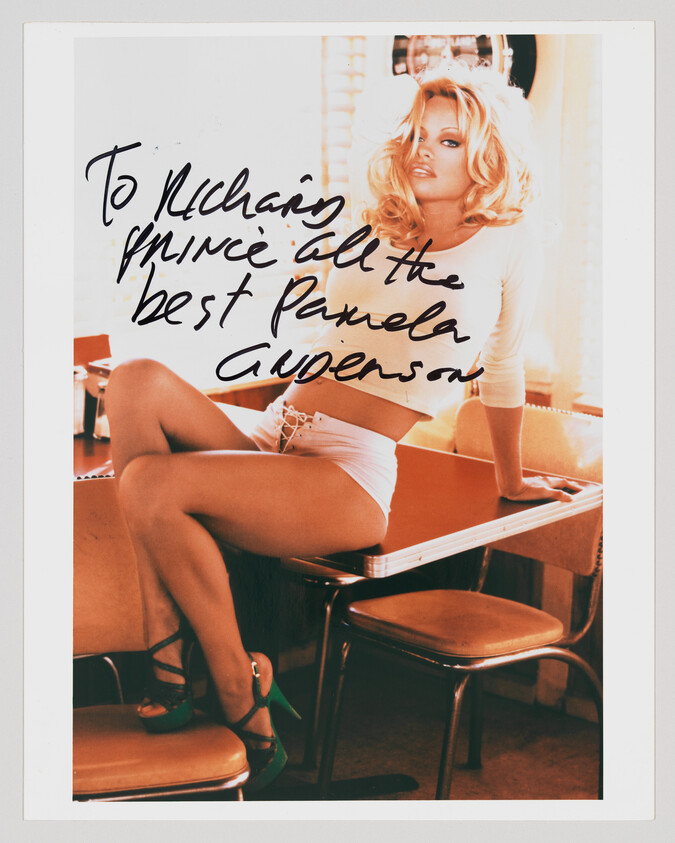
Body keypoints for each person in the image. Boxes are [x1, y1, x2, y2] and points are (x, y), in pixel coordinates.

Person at [106, 61, 580, 792]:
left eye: (448, 140)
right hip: (278, 428)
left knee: (151, 485)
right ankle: (171, 661)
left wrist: (510, 479)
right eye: (416, 134)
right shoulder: (374, 218)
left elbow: (503, 369)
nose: (422, 150)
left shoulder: (508, 244)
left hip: (348, 471)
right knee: (135, 378)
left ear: (485, 150)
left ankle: (234, 687)